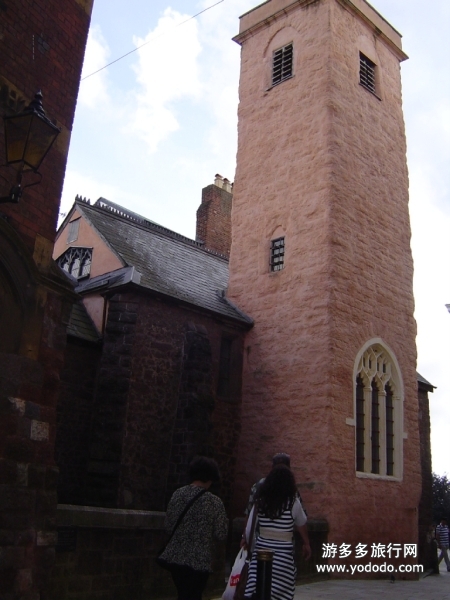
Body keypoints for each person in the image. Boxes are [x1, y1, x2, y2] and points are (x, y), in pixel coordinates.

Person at [159, 456, 228, 600]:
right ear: (211, 477)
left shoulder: (177, 494)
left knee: (182, 593)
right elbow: (221, 534)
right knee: (194, 595)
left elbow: (168, 526)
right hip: (200, 561)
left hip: (175, 557)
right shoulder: (214, 502)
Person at [243, 464, 311, 600]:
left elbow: (249, 529)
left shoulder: (260, 501)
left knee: (257, 587)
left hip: (261, 554)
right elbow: (301, 523)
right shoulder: (293, 502)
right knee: (281, 593)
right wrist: (306, 544)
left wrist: (249, 546)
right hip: (283, 558)